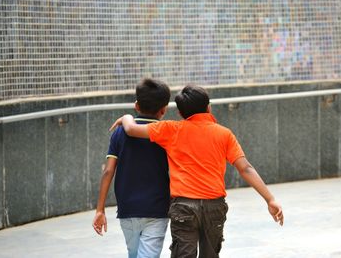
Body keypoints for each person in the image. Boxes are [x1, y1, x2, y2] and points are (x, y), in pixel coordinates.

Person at [110, 84, 284, 258]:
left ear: (180, 113)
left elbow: (131, 130)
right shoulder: (224, 134)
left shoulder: (171, 129)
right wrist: (270, 199)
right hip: (214, 206)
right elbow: (245, 168)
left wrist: (126, 117)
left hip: (183, 207)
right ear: (208, 107)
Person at [92, 78, 171, 258]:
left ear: (136, 105)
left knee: (134, 254)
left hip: (127, 209)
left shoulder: (119, 133)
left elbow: (108, 171)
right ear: (164, 109)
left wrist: (100, 209)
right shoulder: (167, 133)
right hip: (157, 209)